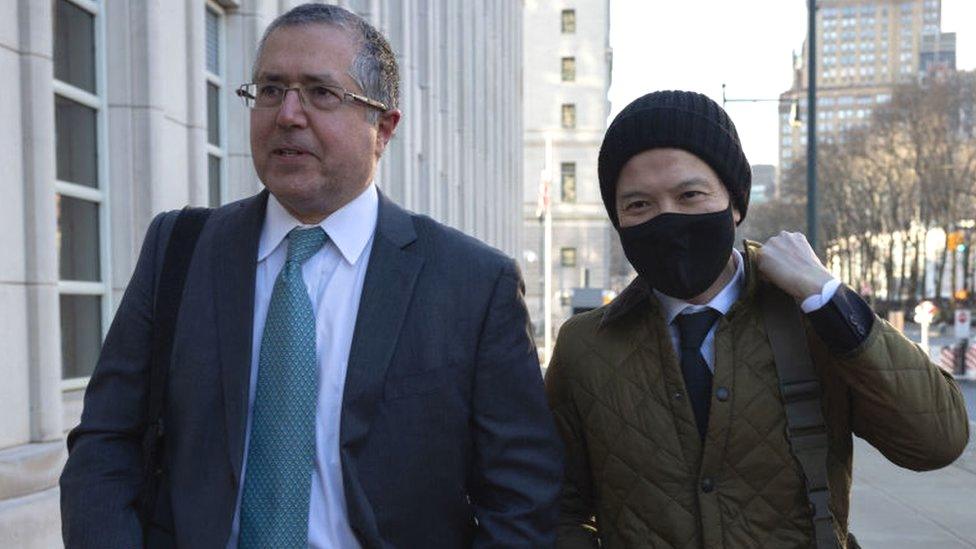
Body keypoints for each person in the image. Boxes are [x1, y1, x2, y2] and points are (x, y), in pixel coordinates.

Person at [60, 4, 562, 548]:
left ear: (384, 127)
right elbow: (105, 446)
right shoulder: (179, 250)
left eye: (321, 94)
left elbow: (521, 497)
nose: (288, 115)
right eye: (271, 90)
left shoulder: (471, 284)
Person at [544, 90, 970, 548]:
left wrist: (829, 299)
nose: (667, 218)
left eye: (689, 194)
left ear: (735, 203)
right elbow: (559, 508)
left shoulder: (812, 318)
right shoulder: (584, 346)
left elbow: (935, 441)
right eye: (639, 205)